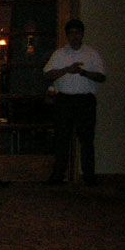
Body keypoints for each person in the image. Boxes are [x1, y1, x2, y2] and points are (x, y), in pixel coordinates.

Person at [43, 19, 106, 186]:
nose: (74, 36)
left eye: (77, 33)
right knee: (62, 139)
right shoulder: (59, 54)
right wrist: (67, 70)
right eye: (71, 33)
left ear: (82, 34)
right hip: (64, 100)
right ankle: (58, 175)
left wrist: (83, 72)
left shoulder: (91, 54)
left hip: (85, 101)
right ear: (67, 35)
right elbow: (47, 74)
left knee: (86, 140)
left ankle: (89, 177)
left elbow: (101, 77)